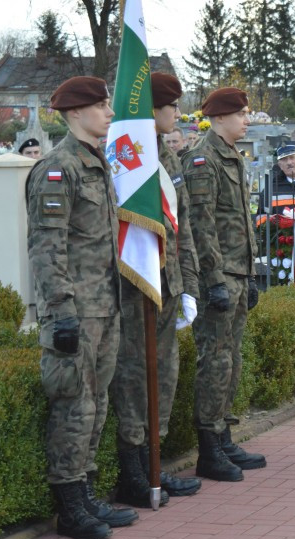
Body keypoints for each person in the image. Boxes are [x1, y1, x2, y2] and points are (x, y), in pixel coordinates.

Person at [26, 76, 137, 539]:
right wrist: (62, 310)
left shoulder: (97, 165)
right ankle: (69, 507)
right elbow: (47, 246)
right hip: (76, 310)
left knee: (98, 402)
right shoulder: (58, 168)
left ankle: (87, 493)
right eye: (100, 106)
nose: (110, 113)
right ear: (74, 114)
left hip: (105, 305)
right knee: (75, 406)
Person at [109, 73, 202, 509]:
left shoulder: (165, 153)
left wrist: (185, 286)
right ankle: (133, 473)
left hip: (166, 283)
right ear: (152, 110)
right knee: (135, 378)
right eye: (172, 106)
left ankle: (153, 465)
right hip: (135, 287)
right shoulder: (129, 158)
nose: (178, 114)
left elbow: (177, 228)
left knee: (164, 375)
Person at [182, 87, 266, 482]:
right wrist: (213, 279)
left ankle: (224, 434)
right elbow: (202, 225)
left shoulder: (232, 155)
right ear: (217, 118)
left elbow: (240, 223)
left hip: (236, 273)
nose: (246, 119)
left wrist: (248, 275)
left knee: (231, 359)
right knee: (214, 361)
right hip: (217, 278)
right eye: (240, 113)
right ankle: (209, 448)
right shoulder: (202, 158)